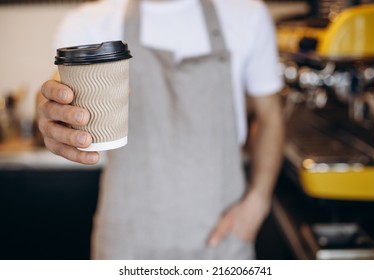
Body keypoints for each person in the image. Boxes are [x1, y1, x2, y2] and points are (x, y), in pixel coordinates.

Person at [37, 0, 284, 259]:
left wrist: (258, 201)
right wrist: (49, 108)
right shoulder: (90, 22)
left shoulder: (247, 14)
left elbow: (270, 116)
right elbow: (56, 88)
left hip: (224, 239)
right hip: (126, 242)